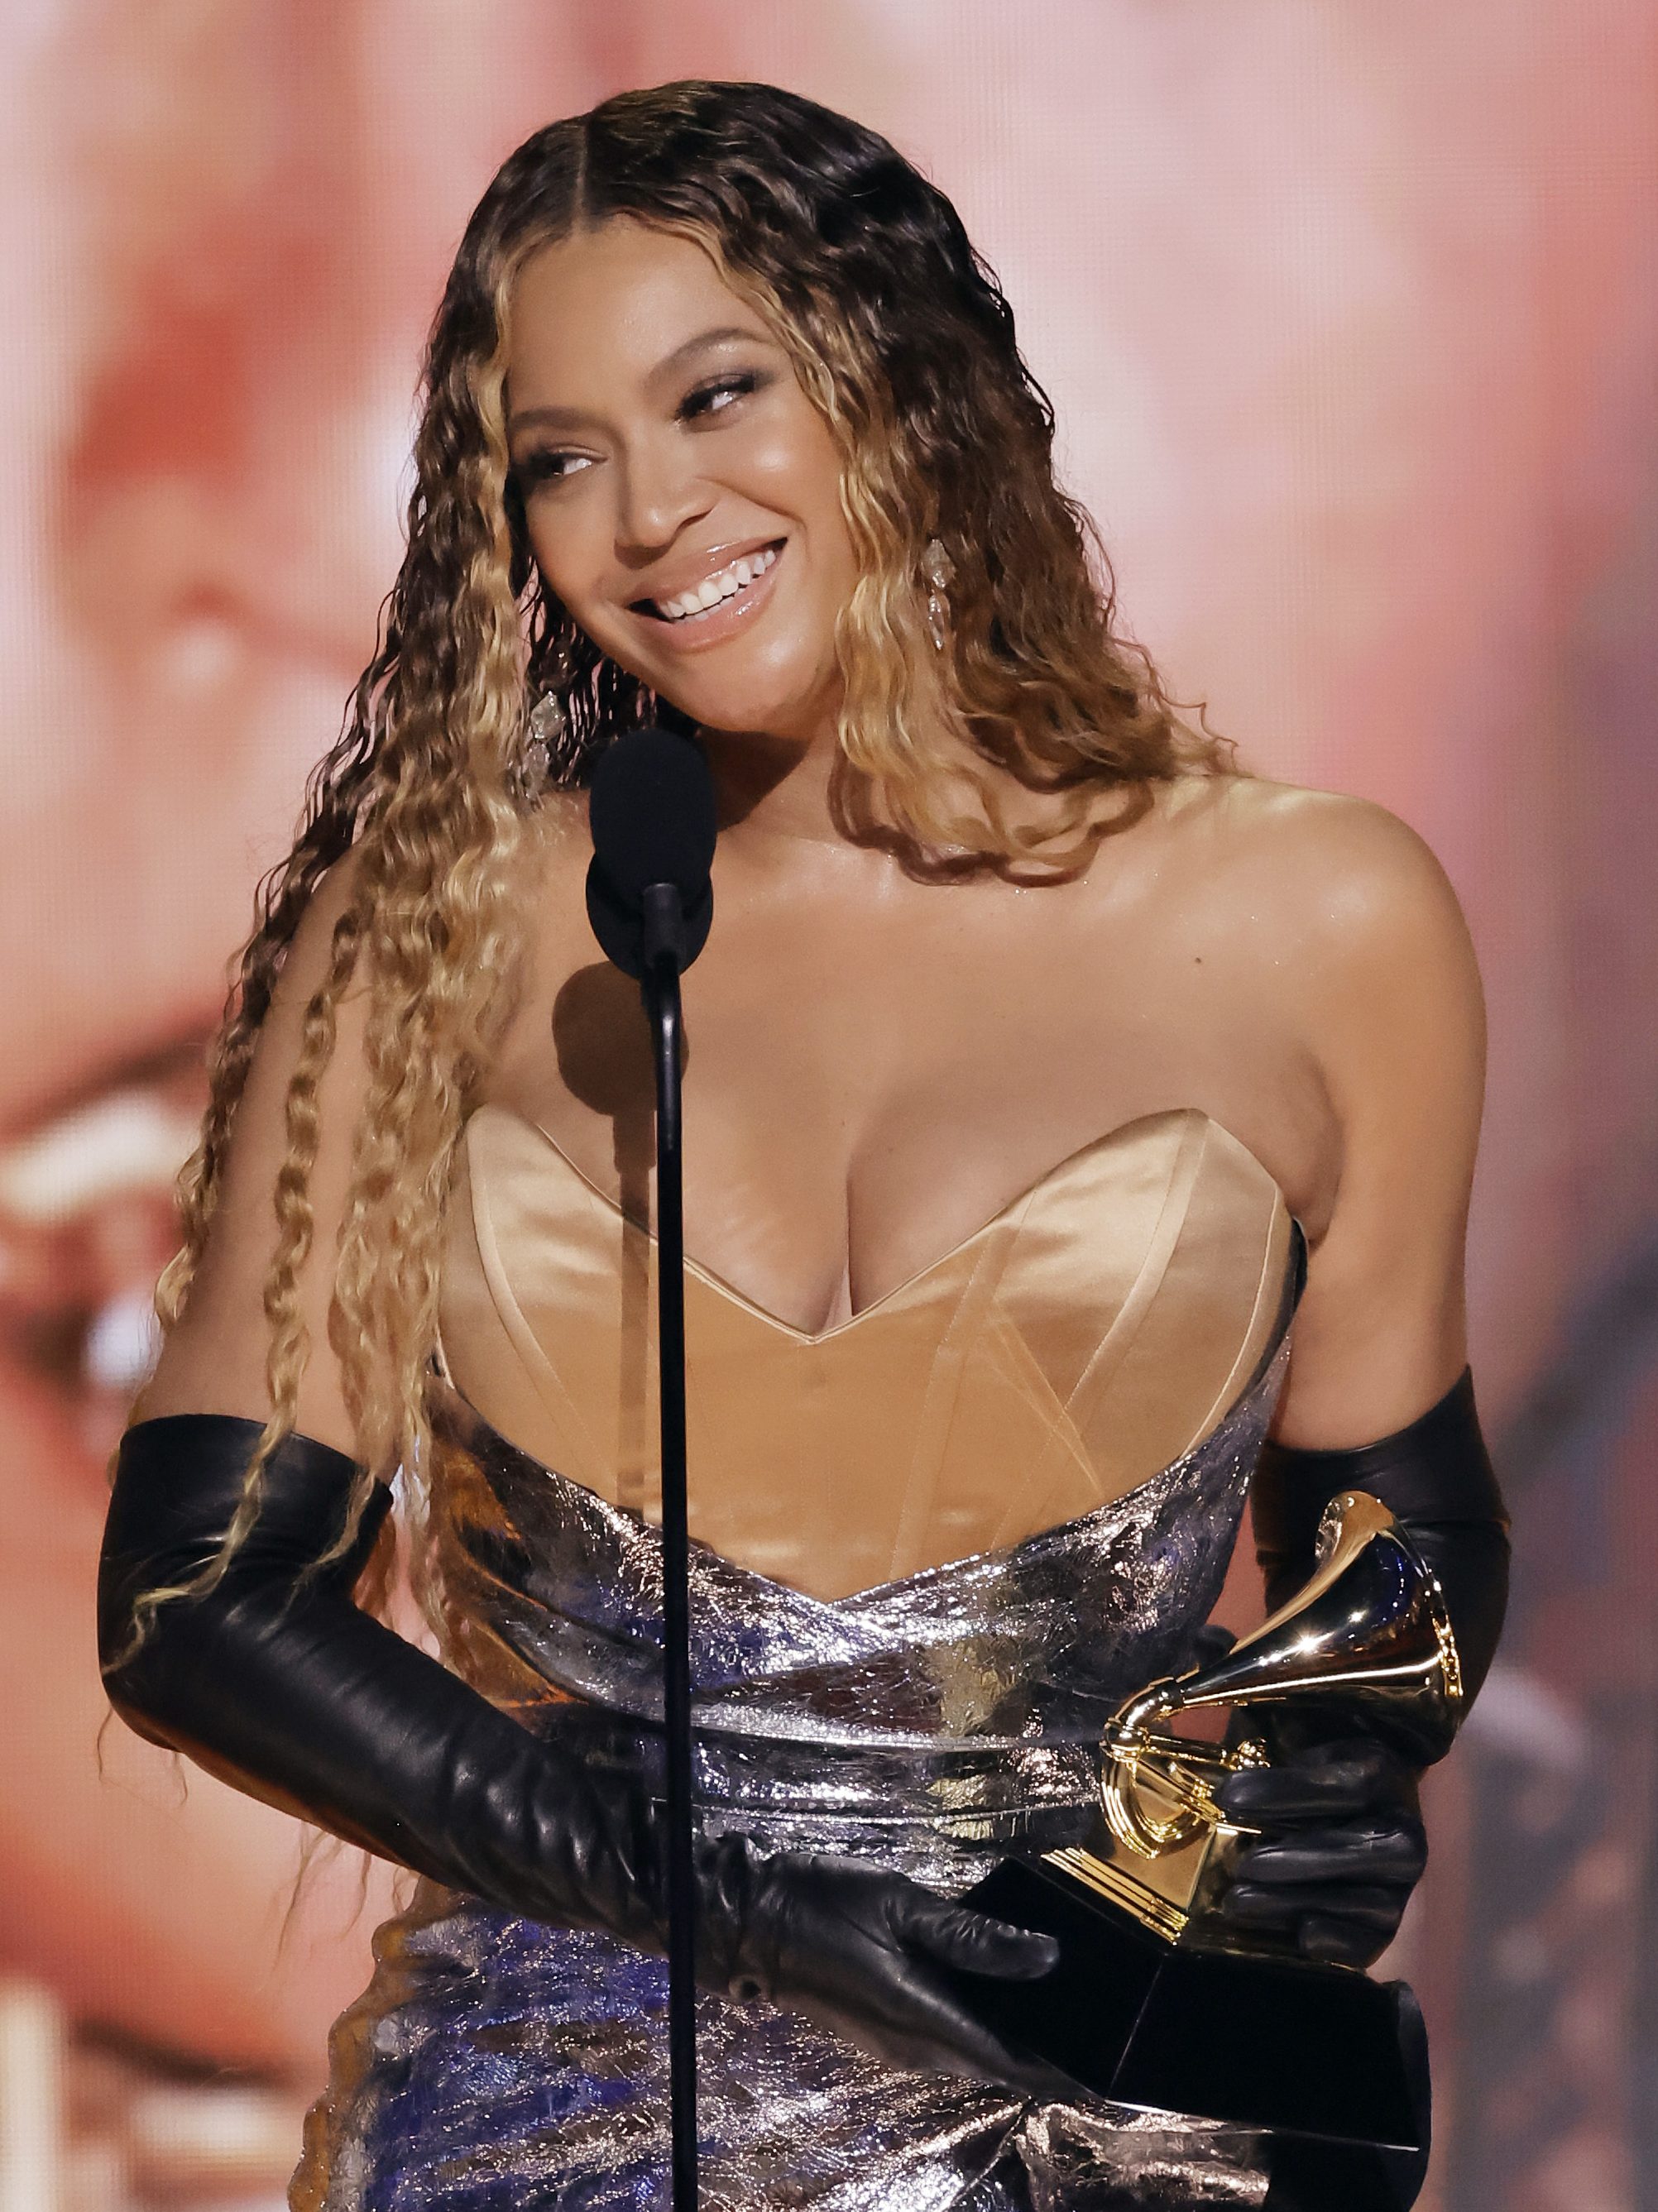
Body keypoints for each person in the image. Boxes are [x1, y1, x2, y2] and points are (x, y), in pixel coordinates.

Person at [95, 82, 1509, 2210]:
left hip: (1110, 2117)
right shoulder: (444, 926)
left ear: (900, 382)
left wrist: (1348, 1763)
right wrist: (731, 1905)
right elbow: (196, 1599)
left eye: (716, 394)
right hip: (541, 2128)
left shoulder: (1322, 922)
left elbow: (1396, 1523)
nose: (649, 512)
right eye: (557, 459)